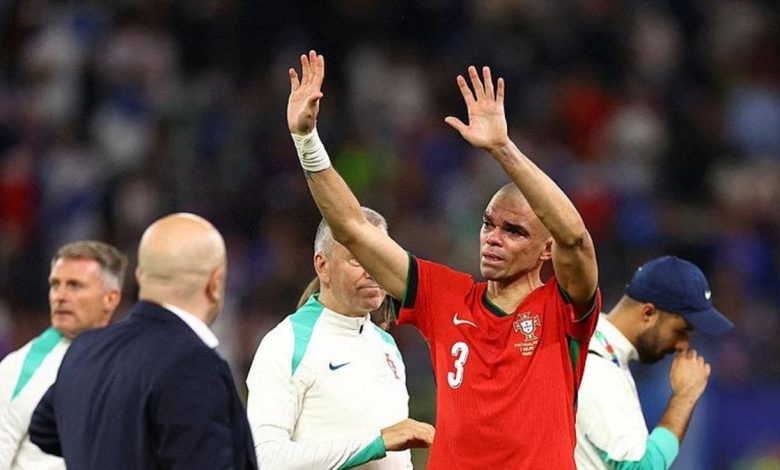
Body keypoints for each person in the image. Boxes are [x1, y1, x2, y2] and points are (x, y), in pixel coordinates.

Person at [286, 50, 601, 468]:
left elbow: (575, 239)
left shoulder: (563, 309)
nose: (493, 238)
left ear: (547, 249)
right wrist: (306, 140)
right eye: (488, 224)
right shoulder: (445, 296)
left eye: (514, 231)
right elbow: (351, 228)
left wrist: (503, 149)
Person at [28, 213, 257, 470]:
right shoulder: (194, 363)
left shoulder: (86, 348)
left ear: (139, 276)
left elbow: (43, 429)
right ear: (214, 284)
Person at [246, 209, 435, 469]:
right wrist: (377, 442)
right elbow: (265, 459)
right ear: (322, 266)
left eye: (380, 258)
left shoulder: (386, 345)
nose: (373, 271)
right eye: (358, 259)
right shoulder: (286, 342)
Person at [575, 256, 734, 469]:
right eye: (681, 330)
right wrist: (684, 397)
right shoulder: (597, 368)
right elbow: (642, 467)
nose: (682, 344)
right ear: (648, 312)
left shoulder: (599, 350)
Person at [0, 240, 127, 470]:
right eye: (55, 284)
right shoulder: (19, 370)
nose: (60, 296)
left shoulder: (132, 364)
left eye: (74, 286)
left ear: (111, 298)